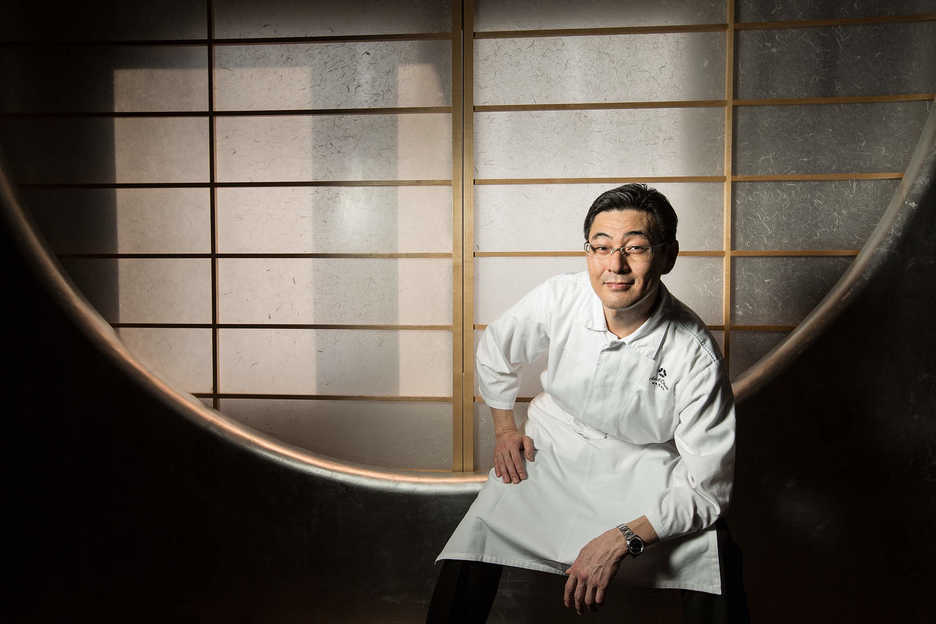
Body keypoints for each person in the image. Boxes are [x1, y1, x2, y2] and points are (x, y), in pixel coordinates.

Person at [427, 184, 747, 623]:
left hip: (644, 463)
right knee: (477, 536)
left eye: (634, 248)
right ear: (588, 252)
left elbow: (710, 489)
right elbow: (497, 350)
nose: (615, 265)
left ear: (668, 255)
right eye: (601, 247)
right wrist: (505, 430)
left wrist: (622, 539)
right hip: (553, 447)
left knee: (713, 553)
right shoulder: (562, 296)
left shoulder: (694, 351)